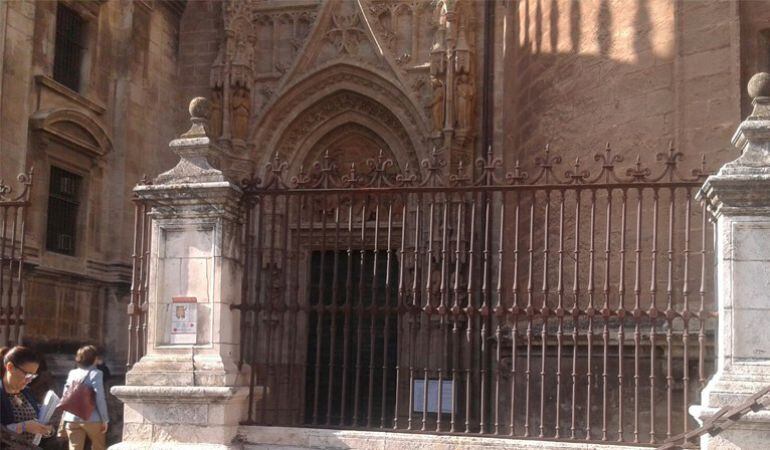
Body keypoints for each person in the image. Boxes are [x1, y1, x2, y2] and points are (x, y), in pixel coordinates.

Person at [0, 345, 54, 448]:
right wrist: (23, 427)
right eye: (27, 375)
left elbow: (36, 420)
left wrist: (47, 430)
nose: (29, 380)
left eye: (33, 376)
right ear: (10, 367)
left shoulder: (27, 392)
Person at [61, 345, 109, 450]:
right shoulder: (97, 373)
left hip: (72, 418)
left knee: (74, 448)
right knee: (99, 447)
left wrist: (64, 417)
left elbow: (65, 396)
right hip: (93, 418)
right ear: (95, 358)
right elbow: (99, 397)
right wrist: (105, 419)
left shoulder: (72, 373)